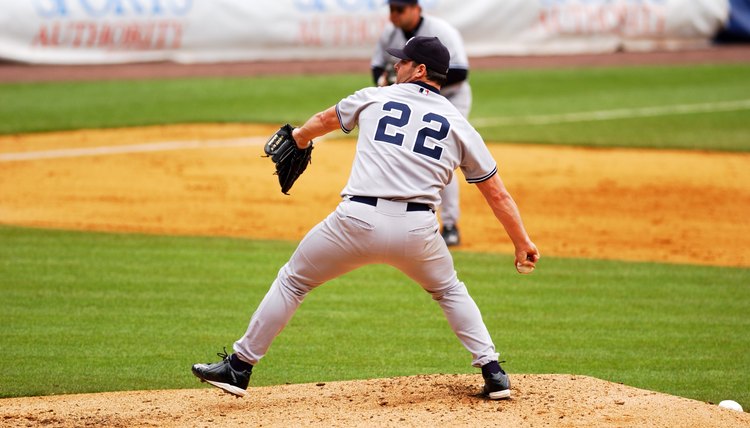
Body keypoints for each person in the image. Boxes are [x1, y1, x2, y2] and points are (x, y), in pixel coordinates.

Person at [192, 36, 539, 400]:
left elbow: (324, 120)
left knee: (293, 281)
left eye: (403, 62)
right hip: (418, 230)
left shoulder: (375, 96)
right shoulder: (459, 123)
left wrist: (299, 138)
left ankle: (240, 367)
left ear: (419, 70)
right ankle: (493, 372)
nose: (396, 66)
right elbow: (496, 192)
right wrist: (521, 242)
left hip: (355, 222)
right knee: (449, 291)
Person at [371, 0, 471, 246]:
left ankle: (449, 225)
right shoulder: (389, 34)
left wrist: (414, 84)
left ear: (416, 8)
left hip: (450, 99)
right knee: (407, 152)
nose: (394, 15)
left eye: (399, 9)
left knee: (440, 157)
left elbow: (460, 72)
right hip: (413, 101)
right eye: (391, 9)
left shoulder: (442, 31)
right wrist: (389, 83)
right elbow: (377, 66)